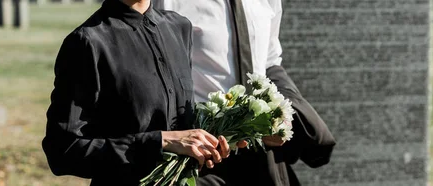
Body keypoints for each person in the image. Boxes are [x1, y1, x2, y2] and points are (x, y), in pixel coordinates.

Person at [41, 0, 233, 185]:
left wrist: (214, 139)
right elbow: (63, 152)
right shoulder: (87, 42)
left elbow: (182, 124)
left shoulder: (179, 27)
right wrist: (158, 142)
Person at [155, 0, 337, 185]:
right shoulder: (162, 3)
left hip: (263, 157)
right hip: (203, 160)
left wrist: (283, 115)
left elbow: (269, 62)